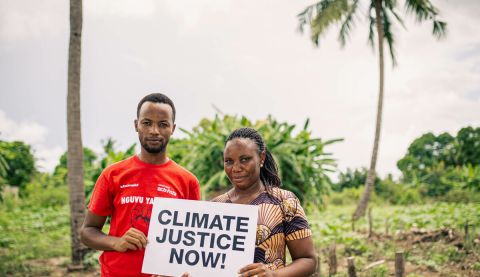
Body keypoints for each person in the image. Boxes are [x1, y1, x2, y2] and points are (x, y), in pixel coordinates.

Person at [80, 93, 200, 277]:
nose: (154, 130)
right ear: (136, 125)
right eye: (147, 122)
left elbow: (192, 242)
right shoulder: (112, 175)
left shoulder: (188, 182)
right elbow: (87, 232)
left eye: (163, 124)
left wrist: (179, 271)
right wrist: (116, 242)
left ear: (173, 128)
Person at [211, 127, 316, 277]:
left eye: (244, 159)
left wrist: (274, 275)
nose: (236, 168)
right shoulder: (215, 206)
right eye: (228, 161)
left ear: (261, 158)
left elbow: (308, 260)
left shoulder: (284, 201)